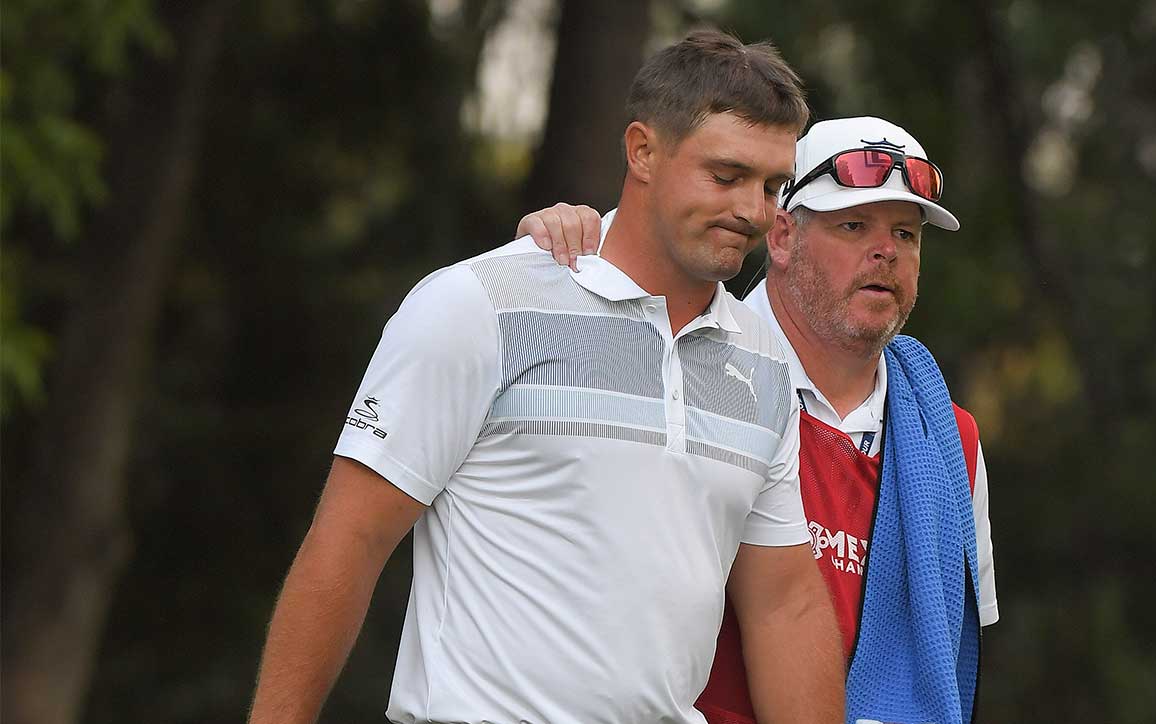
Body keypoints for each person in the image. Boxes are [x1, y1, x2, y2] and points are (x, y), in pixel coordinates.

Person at [246, 30, 845, 724]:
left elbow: (785, 604)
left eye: (773, 185)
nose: (754, 209)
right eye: (727, 175)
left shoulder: (764, 361)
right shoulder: (481, 305)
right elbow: (348, 541)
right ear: (643, 151)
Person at [519, 115, 999, 724]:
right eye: (853, 225)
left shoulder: (948, 437)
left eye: (906, 234)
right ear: (781, 237)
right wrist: (556, 247)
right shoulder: (681, 365)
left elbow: (956, 654)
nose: (886, 252)